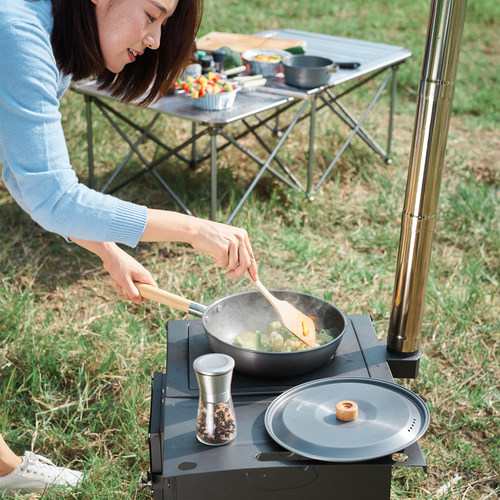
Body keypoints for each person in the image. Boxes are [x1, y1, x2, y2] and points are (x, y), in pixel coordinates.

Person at [0, 0, 259, 492]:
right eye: (151, 14)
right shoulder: (15, 31)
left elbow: (22, 172)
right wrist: (192, 229)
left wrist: (108, 251)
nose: (156, 40)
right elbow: (54, 194)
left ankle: (5, 470)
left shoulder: (42, 36)